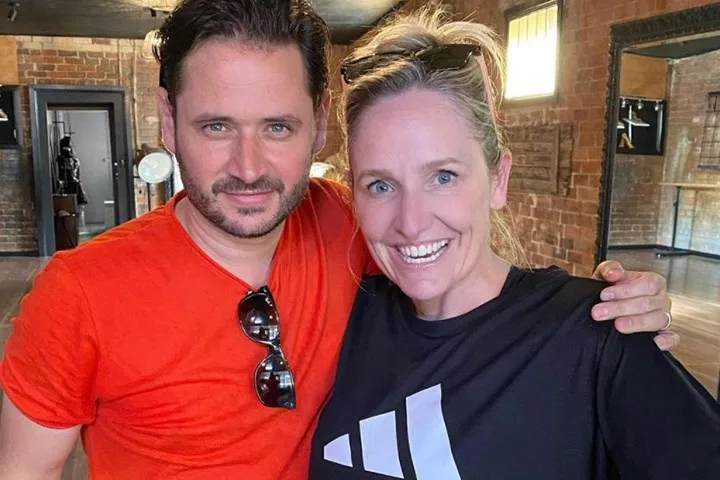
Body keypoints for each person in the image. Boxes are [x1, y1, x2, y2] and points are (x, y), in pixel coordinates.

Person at [0, 1, 675, 479]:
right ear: (169, 120)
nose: (248, 167)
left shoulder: (361, 224)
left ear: (320, 123)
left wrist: (608, 310)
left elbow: (461, 259)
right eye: (215, 127)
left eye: (278, 127)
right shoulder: (80, 293)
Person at [310, 7, 720, 479]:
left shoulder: (594, 333)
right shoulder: (346, 318)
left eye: (443, 176)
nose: (411, 222)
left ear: (498, 179)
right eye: (380, 185)